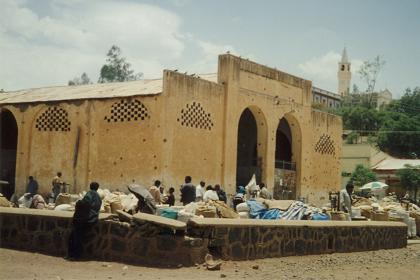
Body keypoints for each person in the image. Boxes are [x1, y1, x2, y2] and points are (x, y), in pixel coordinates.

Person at [67, 182, 102, 260]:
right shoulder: (98, 197)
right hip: (93, 219)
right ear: (97, 188)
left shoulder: (90, 193)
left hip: (86, 219)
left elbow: (86, 203)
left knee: (75, 236)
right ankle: (75, 255)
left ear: (90, 187)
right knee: (78, 236)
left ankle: (74, 255)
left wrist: (78, 203)